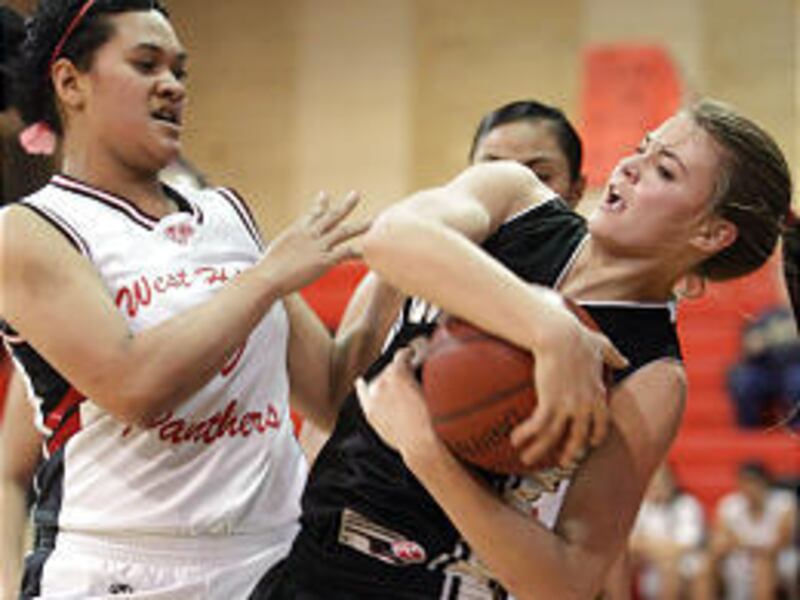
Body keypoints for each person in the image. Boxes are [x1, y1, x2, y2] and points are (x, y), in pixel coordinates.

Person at [253, 98, 793, 599]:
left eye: (665, 170)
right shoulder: (513, 199)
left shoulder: (652, 374)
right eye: (642, 147)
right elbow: (390, 236)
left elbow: (571, 580)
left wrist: (426, 452)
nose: (630, 166)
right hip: (310, 555)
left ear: (709, 234)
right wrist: (548, 328)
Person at [0, 1, 371, 597]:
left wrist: (393, 278)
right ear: (70, 82)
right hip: (121, 568)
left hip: (271, 561)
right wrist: (267, 278)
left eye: (180, 71)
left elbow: (328, 394)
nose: (171, 85)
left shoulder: (225, 214)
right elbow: (135, 388)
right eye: (146, 65)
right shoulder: (30, 231)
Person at [707, 462, 798, 600]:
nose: (749, 489)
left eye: (753, 483)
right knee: (706, 564)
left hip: (780, 558)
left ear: (765, 483)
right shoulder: (730, 504)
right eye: (744, 483)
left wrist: (742, 543)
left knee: (763, 565)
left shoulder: (784, 502)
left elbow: (781, 542)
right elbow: (720, 540)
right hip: (739, 558)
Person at [629, 463, 709, 600]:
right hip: (647, 564)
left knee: (687, 566)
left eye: (662, 481)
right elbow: (631, 542)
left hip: (684, 564)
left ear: (673, 482)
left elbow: (688, 542)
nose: (658, 486)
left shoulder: (687, 504)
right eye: (653, 481)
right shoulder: (641, 507)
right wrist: (657, 551)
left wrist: (653, 547)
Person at [726, 305, 800, 429]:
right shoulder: (765, 317)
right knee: (744, 379)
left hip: (794, 369)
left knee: (796, 379)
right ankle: (750, 429)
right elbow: (750, 346)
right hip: (766, 369)